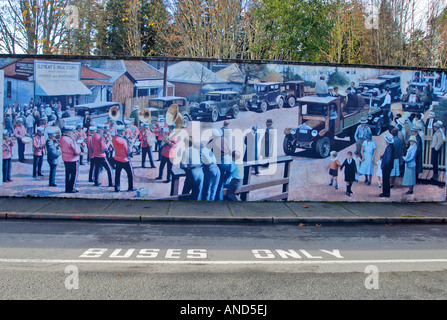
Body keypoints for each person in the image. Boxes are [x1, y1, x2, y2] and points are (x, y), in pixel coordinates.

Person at [112, 125, 136, 192]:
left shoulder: (114, 138)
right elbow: (128, 151)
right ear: (122, 132)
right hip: (125, 159)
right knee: (130, 174)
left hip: (117, 158)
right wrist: (132, 143)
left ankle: (117, 188)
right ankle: (130, 187)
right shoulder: (123, 141)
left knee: (117, 174)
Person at [60, 125, 81, 193]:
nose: (73, 133)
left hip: (65, 158)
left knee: (68, 173)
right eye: (72, 132)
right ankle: (72, 188)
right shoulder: (70, 140)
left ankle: (67, 188)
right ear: (69, 132)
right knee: (74, 174)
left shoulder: (62, 138)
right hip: (73, 159)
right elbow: (76, 151)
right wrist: (80, 152)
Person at [380, 133, 395, 198]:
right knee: (386, 180)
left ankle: (385, 193)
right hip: (388, 166)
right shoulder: (390, 147)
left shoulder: (389, 148)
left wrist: (384, 164)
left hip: (386, 167)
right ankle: (386, 192)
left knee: (385, 180)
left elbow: (388, 159)